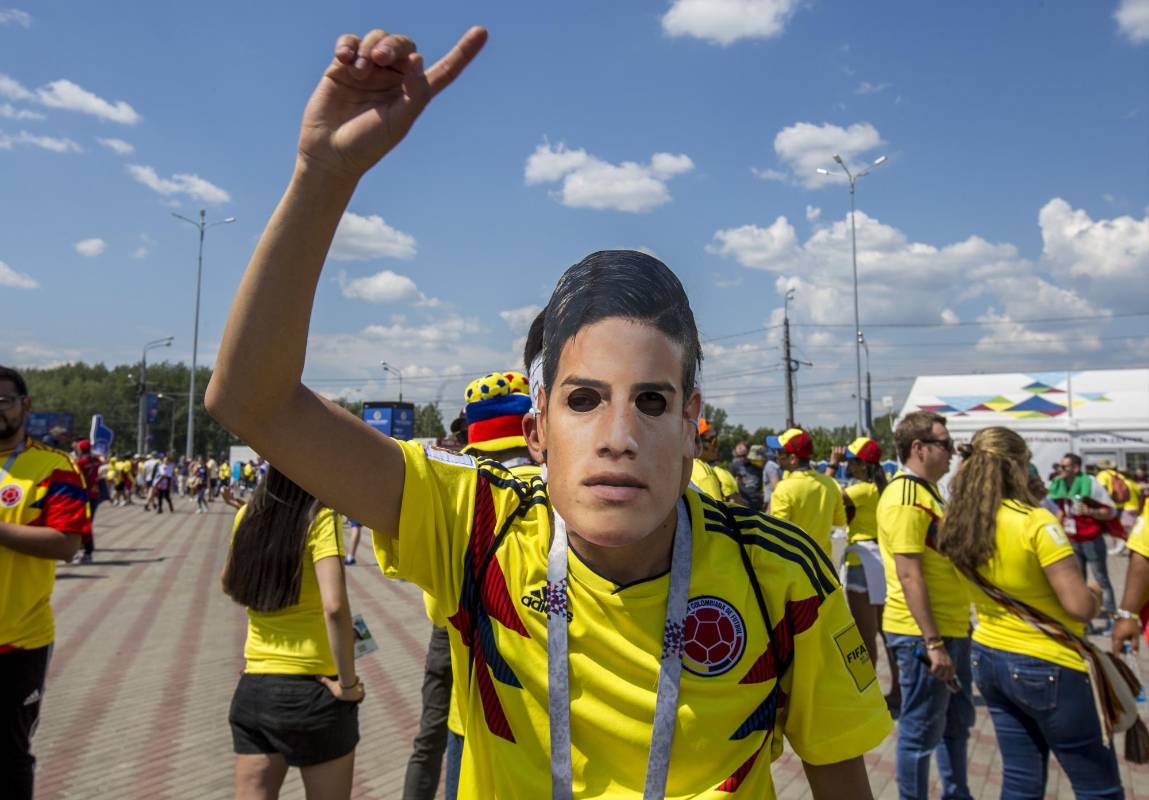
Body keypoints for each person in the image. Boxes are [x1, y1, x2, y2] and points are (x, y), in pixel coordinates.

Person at [204, 27, 891, 797]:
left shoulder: (779, 573)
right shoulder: (477, 526)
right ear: (536, 430)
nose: (619, 437)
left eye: (652, 402)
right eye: (583, 400)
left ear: (692, 426)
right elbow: (251, 401)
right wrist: (323, 174)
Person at [939, 428, 1122, 798]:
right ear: (1018, 468)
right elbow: (1079, 607)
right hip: (1050, 662)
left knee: (1021, 781)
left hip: (989, 656)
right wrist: (1097, 595)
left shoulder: (958, 523)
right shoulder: (1036, 522)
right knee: (1098, 787)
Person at [404, 370, 542, 800]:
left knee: (437, 740)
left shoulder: (464, 494)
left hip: (457, 648)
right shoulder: (558, 495)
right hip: (538, 700)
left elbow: (434, 607)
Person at [222, 466, 364, 799]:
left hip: (255, 686)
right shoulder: (320, 517)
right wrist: (348, 685)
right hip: (316, 691)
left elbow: (227, 580)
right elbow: (334, 606)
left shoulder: (246, 515)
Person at [0, 365, 90, 800]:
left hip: (18, 643)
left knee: (9, 757)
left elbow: (66, 543)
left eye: (4, 401)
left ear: (25, 406)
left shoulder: (55, 467)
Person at [878, 411, 973, 800]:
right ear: (918, 448)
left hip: (948, 628)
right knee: (919, 735)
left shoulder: (928, 493)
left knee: (953, 726)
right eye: (945, 444)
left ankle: (957, 793)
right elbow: (909, 575)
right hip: (923, 637)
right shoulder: (905, 498)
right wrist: (933, 644)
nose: (951, 453)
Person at [829, 437, 899, 713]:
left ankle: (867, 696)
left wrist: (831, 467)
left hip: (862, 562)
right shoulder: (885, 488)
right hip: (882, 560)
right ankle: (897, 691)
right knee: (886, 633)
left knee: (864, 635)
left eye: (850, 460)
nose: (847, 464)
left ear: (861, 464)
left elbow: (826, 493)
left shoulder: (858, 492)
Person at [1048, 453, 1118, 631]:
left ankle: (1112, 617)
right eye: (1059, 467)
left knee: (1101, 579)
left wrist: (1090, 511)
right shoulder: (1061, 485)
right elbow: (1062, 511)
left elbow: (1110, 512)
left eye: (1064, 467)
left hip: (1092, 539)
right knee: (1079, 582)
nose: (1060, 470)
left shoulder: (1090, 484)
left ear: (1076, 468)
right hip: (1072, 540)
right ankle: (1085, 622)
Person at [766, 427, 846, 559]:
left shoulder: (784, 488)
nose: (776, 456)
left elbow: (777, 534)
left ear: (793, 458)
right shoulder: (830, 484)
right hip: (823, 566)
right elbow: (839, 521)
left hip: (795, 566)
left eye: (780, 453)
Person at [71, 438, 102, 563]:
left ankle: (85, 552)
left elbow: (75, 478)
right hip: (93, 494)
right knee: (87, 523)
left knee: (78, 524)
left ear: (80, 449)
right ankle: (86, 551)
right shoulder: (95, 461)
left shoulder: (80, 463)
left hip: (82, 495)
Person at [729, 442, 764, 510]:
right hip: (743, 503)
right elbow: (732, 483)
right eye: (739, 456)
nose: (742, 458)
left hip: (758, 504)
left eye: (744, 455)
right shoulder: (735, 465)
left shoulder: (758, 464)